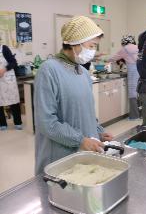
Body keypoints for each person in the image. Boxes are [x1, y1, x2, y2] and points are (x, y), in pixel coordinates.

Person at [34, 16, 113, 175]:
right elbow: (46, 122)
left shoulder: (83, 72)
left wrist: (97, 131)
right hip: (59, 159)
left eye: (95, 47)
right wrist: (80, 140)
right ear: (74, 42)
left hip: (82, 155)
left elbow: (85, 112)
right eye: (91, 46)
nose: (93, 51)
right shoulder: (49, 70)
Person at [108, 35, 140, 119]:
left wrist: (105, 60)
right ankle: (141, 114)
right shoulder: (138, 47)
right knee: (140, 91)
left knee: (132, 92)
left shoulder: (125, 49)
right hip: (141, 70)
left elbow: (113, 58)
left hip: (133, 71)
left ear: (124, 42)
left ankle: (134, 116)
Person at [0, 37, 22, 130]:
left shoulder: (4, 48)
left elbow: (14, 62)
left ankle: (17, 122)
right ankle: (2, 124)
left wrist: (4, 69)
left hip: (7, 78)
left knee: (13, 100)